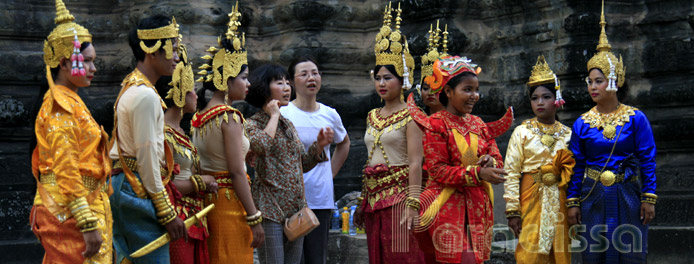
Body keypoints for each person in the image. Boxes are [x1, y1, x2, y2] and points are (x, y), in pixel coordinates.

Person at [566, 2, 656, 263]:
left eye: (599, 81)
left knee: (630, 252)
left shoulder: (635, 118)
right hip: (593, 194)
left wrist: (648, 197)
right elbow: (577, 163)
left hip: (628, 192)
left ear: (615, 81)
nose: (592, 87)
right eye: (590, 81)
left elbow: (647, 159)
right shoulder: (582, 123)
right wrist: (573, 201)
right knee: (594, 253)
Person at [30, 1, 112, 263]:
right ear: (65, 63)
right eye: (86, 61)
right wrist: (86, 220)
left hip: (81, 203)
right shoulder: (60, 105)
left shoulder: (72, 101)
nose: (93, 68)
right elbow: (65, 164)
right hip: (70, 208)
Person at [414, 55, 509, 264]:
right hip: (445, 204)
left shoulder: (479, 124)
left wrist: (490, 163)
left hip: (477, 205)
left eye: (476, 90)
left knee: (475, 259)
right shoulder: (436, 124)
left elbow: (496, 157)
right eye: (467, 90)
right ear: (448, 92)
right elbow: (437, 170)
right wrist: (477, 173)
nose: (474, 96)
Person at [109, 14, 187, 263]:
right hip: (136, 186)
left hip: (126, 185)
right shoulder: (145, 95)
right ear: (153, 51)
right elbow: (146, 158)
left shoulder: (132, 87)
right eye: (172, 49)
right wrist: (166, 211)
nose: (177, 57)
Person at [192, 4, 265, 263]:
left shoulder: (198, 117)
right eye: (244, 78)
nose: (248, 84)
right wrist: (254, 216)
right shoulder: (229, 117)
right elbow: (236, 171)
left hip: (207, 203)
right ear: (227, 79)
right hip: (229, 205)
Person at [352, 3, 425, 264]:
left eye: (388, 78)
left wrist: (413, 202)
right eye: (378, 77)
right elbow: (369, 160)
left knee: (402, 256)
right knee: (378, 257)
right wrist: (363, 200)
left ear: (402, 79)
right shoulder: (372, 115)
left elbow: (416, 161)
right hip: (373, 199)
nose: (382, 83)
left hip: (400, 199)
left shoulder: (413, 115)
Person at [245, 63, 333, 264]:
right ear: (264, 88)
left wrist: (318, 147)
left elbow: (301, 163)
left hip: (295, 210)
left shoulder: (288, 125)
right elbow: (261, 146)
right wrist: (274, 115)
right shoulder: (252, 124)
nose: (287, 88)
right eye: (279, 83)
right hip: (270, 210)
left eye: (287, 82)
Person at [503, 55, 573, 264]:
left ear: (557, 99)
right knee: (529, 252)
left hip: (561, 200)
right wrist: (512, 210)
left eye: (546, 97)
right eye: (535, 98)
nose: (540, 102)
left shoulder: (569, 135)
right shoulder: (522, 132)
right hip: (530, 199)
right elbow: (512, 172)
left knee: (560, 252)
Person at [155, 41, 219, 264]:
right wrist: (200, 182)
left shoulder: (181, 131)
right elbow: (164, 185)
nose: (196, 95)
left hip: (194, 215)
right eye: (191, 89)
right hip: (176, 218)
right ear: (179, 92)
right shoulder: (163, 134)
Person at [282, 56, 350, 264]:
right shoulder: (284, 113)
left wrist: (330, 174)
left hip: (320, 198)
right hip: (290, 199)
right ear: (292, 82)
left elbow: (344, 143)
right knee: (293, 259)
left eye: (315, 73)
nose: (311, 78)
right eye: (304, 74)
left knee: (316, 258)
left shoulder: (329, 114)